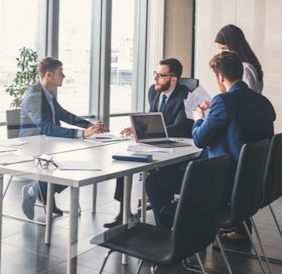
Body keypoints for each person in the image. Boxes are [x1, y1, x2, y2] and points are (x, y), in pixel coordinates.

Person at [145, 51, 275, 233]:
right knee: (183, 167)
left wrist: (199, 119)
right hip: (252, 182)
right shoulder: (263, 102)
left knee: (155, 182)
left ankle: (167, 236)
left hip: (223, 183)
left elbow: (199, 139)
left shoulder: (223, 101)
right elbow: (243, 125)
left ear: (220, 76)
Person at [103, 58, 194, 228]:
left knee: (156, 180)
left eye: (160, 75)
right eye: (155, 74)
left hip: (176, 147)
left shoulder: (186, 97)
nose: (155, 79)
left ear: (173, 79)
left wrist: (145, 132)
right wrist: (137, 128)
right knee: (125, 162)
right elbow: (152, 118)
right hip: (153, 143)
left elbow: (179, 128)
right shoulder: (153, 91)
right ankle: (124, 212)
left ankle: (165, 224)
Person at [19, 57, 105, 220]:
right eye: (60, 72)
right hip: (33, 146)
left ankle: (42, 191)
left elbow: (63, 115)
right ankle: (33, 191)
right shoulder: (33, 96)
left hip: (48, 144)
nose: (64, 76)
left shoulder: (47, 93)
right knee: (68, 167)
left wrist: (90, 126)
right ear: (49, 75)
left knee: (74, 165)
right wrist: (82, 134)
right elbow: (46, 127)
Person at [215, 24, 264, 93]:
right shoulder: (239, 67)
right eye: (220, 49)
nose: (221, 53)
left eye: (224, 48)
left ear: (234, 46)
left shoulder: (246, 69)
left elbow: (249, 97)